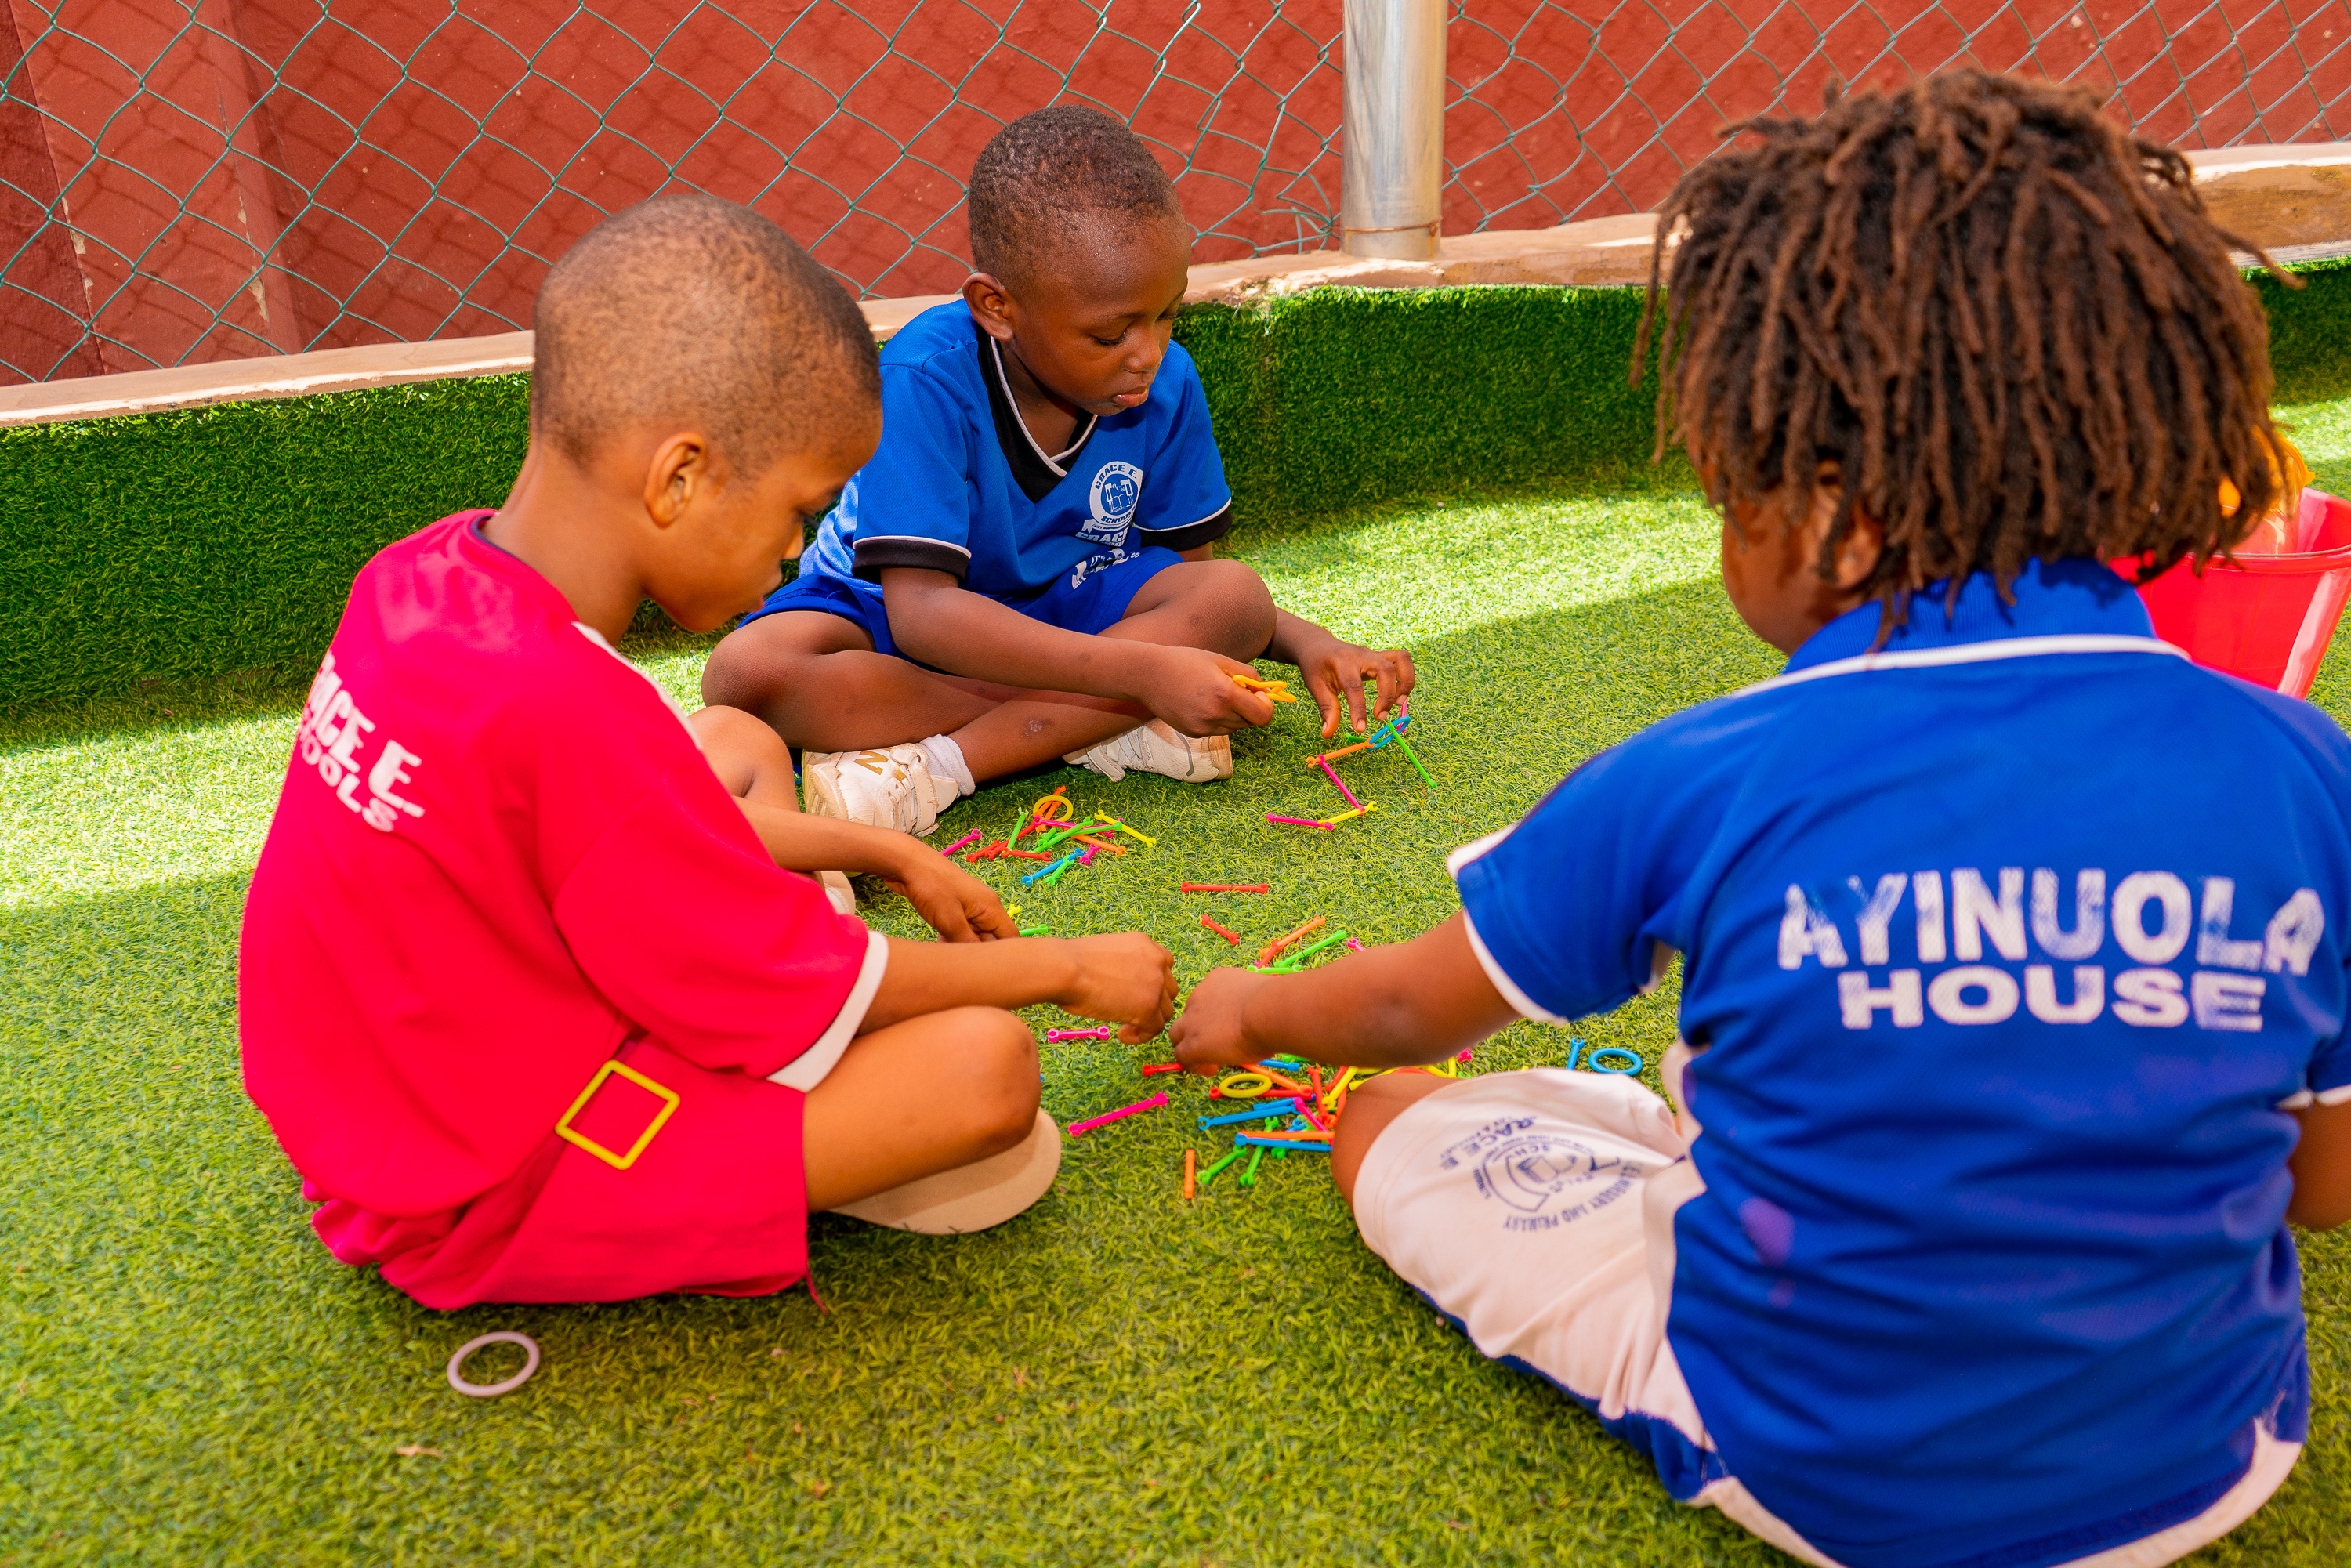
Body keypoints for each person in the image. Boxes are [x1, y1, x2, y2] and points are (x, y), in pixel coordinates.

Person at [1170, 71, 2351, 1568]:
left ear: (1833, 513)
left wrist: (1247, 1005)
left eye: (1727, 491)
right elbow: (2318, 1187)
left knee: (1401, 1123)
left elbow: (1405, 1009)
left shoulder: (1708, 769)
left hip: (1825, 1469)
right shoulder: (2305, 767)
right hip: (2216, 1455)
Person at [238, 195, 1177, 1311]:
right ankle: (736, 1166)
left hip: (405, 1086)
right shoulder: (568, 710)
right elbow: (783, 989)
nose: (793, 554)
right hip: (484, 1183)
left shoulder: (420, 574)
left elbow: (610, 825)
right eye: (799, 510)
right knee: (987, 1071)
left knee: (731, 737)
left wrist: (891, 857)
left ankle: (793, 983)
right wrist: (1071, 967)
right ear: (680, 477)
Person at [700, 105, 1414, 836]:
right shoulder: (923, 376)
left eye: (1170, 313)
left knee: (1235, 597)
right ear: (997, 307)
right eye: (1109, 334)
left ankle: (941, 765)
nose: (1149, 352)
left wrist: (1305, 642)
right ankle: (1098, 725)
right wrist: (1135, 677)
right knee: (749, 674)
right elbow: (921, 614)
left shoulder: (1166, 384)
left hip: (1061, 609)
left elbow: (1194, 581)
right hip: (897, 615)